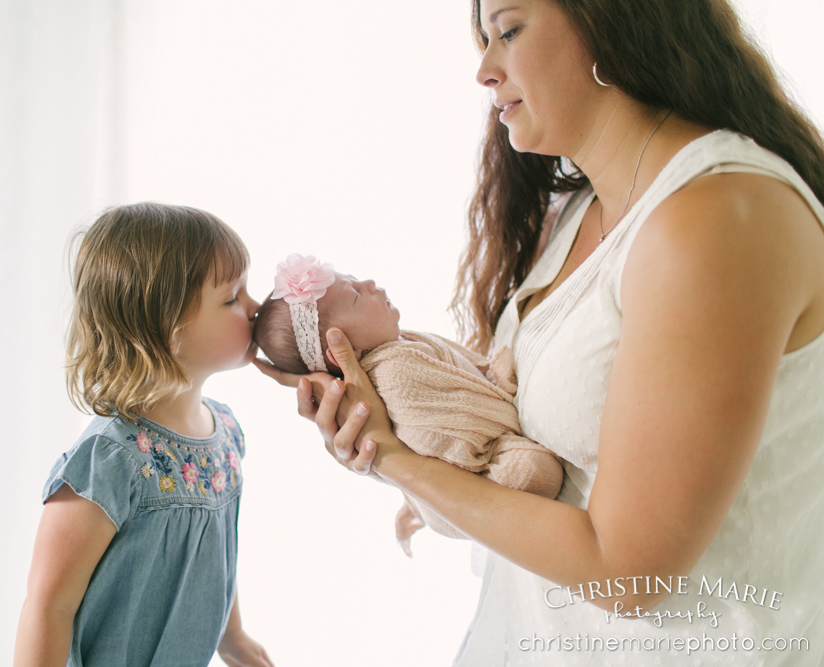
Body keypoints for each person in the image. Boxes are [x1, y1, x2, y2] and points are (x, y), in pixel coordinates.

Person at [257, 0, 824, 664]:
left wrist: (397, 460)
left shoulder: (714, 219)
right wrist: (397, 421)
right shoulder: (581, 208)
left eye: (510, 30)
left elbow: (627, 572)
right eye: (483, 39)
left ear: (617, 20)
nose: (484, 70)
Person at [14, 203, 274, 667]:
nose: (256, 308)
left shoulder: (227, 433)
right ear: (165, 327)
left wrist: (232, 636)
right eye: (232, 298)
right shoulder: (110, 459)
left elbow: (215, 554)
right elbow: (49, 605)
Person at [254, 253, 563, 555]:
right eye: (355, 296)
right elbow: (440, 436)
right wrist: (504, 408)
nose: (371, 284)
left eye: (356, 280)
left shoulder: (403, 341)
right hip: (467, 485)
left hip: (448, 476)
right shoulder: (393, 377)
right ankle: (420, 508)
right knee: (536, 472)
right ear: (341, 348)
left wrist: (489, 374)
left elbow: (463, 366)